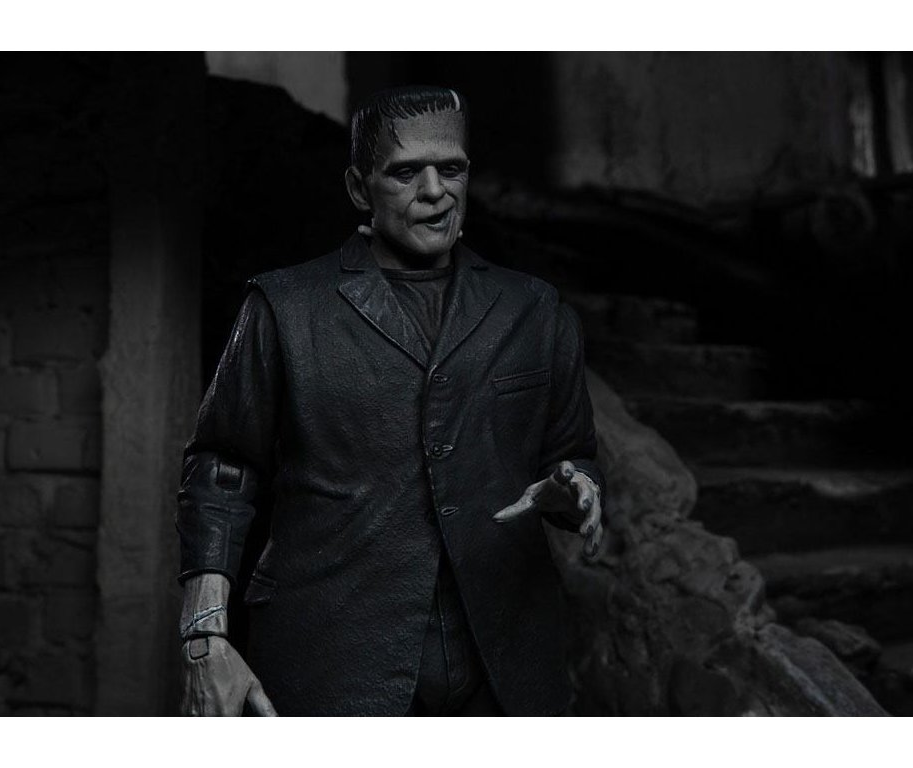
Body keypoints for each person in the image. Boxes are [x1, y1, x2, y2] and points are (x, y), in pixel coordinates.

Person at [176, 85, 605, 716]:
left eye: (451, 169)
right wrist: (204, 636)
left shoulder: (533, 309)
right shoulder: (286, 307)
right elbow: (222, 470)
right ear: (359, 188)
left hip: (506, 663)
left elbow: (573, 453)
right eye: (406, 173)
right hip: (330, 659)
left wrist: (576, 490)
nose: (435, 191)